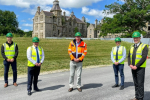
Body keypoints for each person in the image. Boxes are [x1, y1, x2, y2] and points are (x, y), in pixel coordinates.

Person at [128, 32, 148, 100]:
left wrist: (136, 66)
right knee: (136, 83)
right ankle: (137, 96)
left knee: (140, 84)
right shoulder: (132, 46)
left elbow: (144, 57)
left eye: (137, 37)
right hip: (133, 68)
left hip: (140, 68)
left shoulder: (144, 46)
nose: (135, 39)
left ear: (140, 38)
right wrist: (130, 64)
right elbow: (129, 56)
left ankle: (140, 98)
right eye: (134, 38)